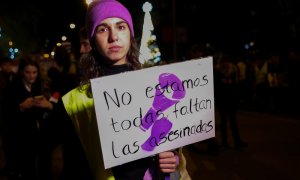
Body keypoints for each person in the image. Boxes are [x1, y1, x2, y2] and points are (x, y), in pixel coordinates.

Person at [51, 0, 190, 179]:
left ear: (130, 34)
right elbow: (73, 165)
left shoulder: (155, 88)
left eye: (121, 27)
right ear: (92, 39)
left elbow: (174, 154)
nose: (113, 37)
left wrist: (172, 161)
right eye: (102, 29)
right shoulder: (76, 101)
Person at [2, 55, 54, 179]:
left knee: (44, 168)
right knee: (27, 169)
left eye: (34, 72)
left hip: (41, 135)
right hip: (22, 137)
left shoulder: (40, 85)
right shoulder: (12, 87)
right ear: (21, 72)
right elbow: (5, 111)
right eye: (28, 72)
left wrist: (49, 105)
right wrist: (21, 106)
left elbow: (54, 101)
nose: (32, 76)